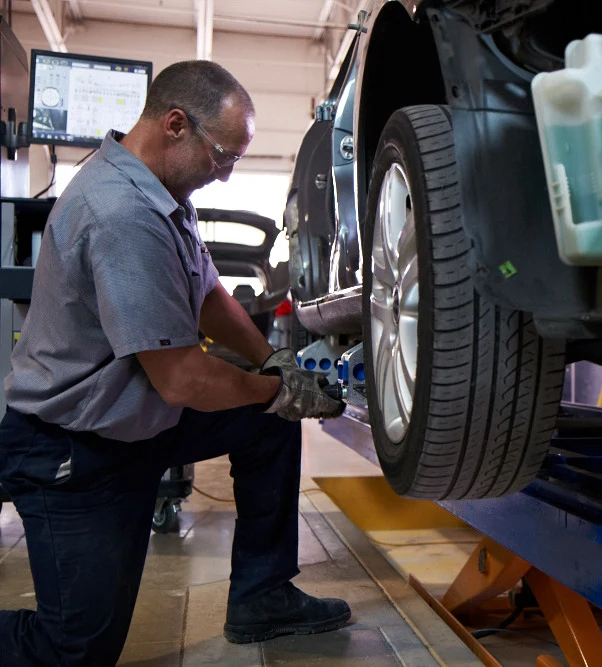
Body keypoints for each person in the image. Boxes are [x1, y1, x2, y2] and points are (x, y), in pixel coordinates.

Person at [0, 61, 349, 666]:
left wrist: (273, 362)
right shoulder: (121, 214)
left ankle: (261, 596)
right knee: (74, 651)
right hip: (75, 446)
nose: (226, 173)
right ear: (175, 125)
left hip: (137, 418)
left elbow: (208, 293)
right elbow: (184, 378)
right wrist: (272, 390)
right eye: (224, 156)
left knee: (269, 423)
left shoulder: (161, 190)